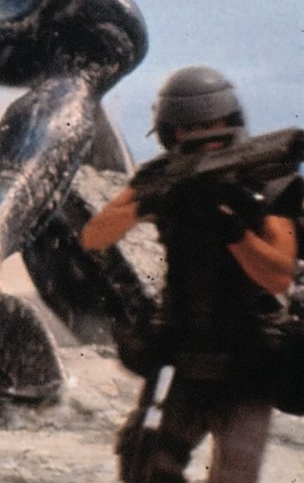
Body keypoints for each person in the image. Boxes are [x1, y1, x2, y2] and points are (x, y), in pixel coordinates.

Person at [81, 66, 301, 483]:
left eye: (214, 126)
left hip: (249, 362)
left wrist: (233, 229)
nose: (205, 136)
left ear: (231, 121)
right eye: (191, 129)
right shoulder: (165, 175)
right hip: (180, 354)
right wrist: (156, 199)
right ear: (172, 133)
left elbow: (277, 275)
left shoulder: (268, 177)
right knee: (143, 465)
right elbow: (95, 236)